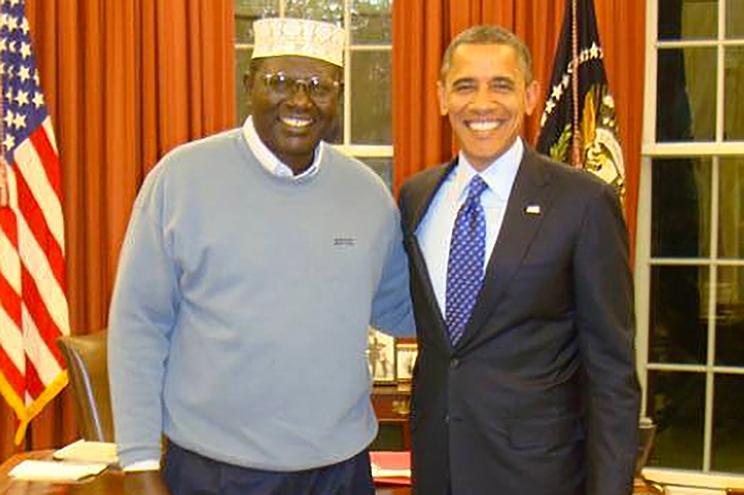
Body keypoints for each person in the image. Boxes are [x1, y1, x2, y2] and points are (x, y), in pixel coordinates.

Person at [108, 17, 414, 495]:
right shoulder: (180, 180)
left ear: (338, 96)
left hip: (340, 471)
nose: (299, 101)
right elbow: (138, 326)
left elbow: (402, 309)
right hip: (215, 472)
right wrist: (140, 464)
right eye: (279, 82)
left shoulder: (368, 195)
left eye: (318, 86)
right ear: (249, 84)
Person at [398, 25, 640, 495]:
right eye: (465, 86)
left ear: (531, 96)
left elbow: (611, 372)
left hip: (539, 476)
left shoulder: (583, 202)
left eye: (501, 85)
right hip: (438, 469)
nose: (482, 103)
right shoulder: (416, 197)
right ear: (441, 97)